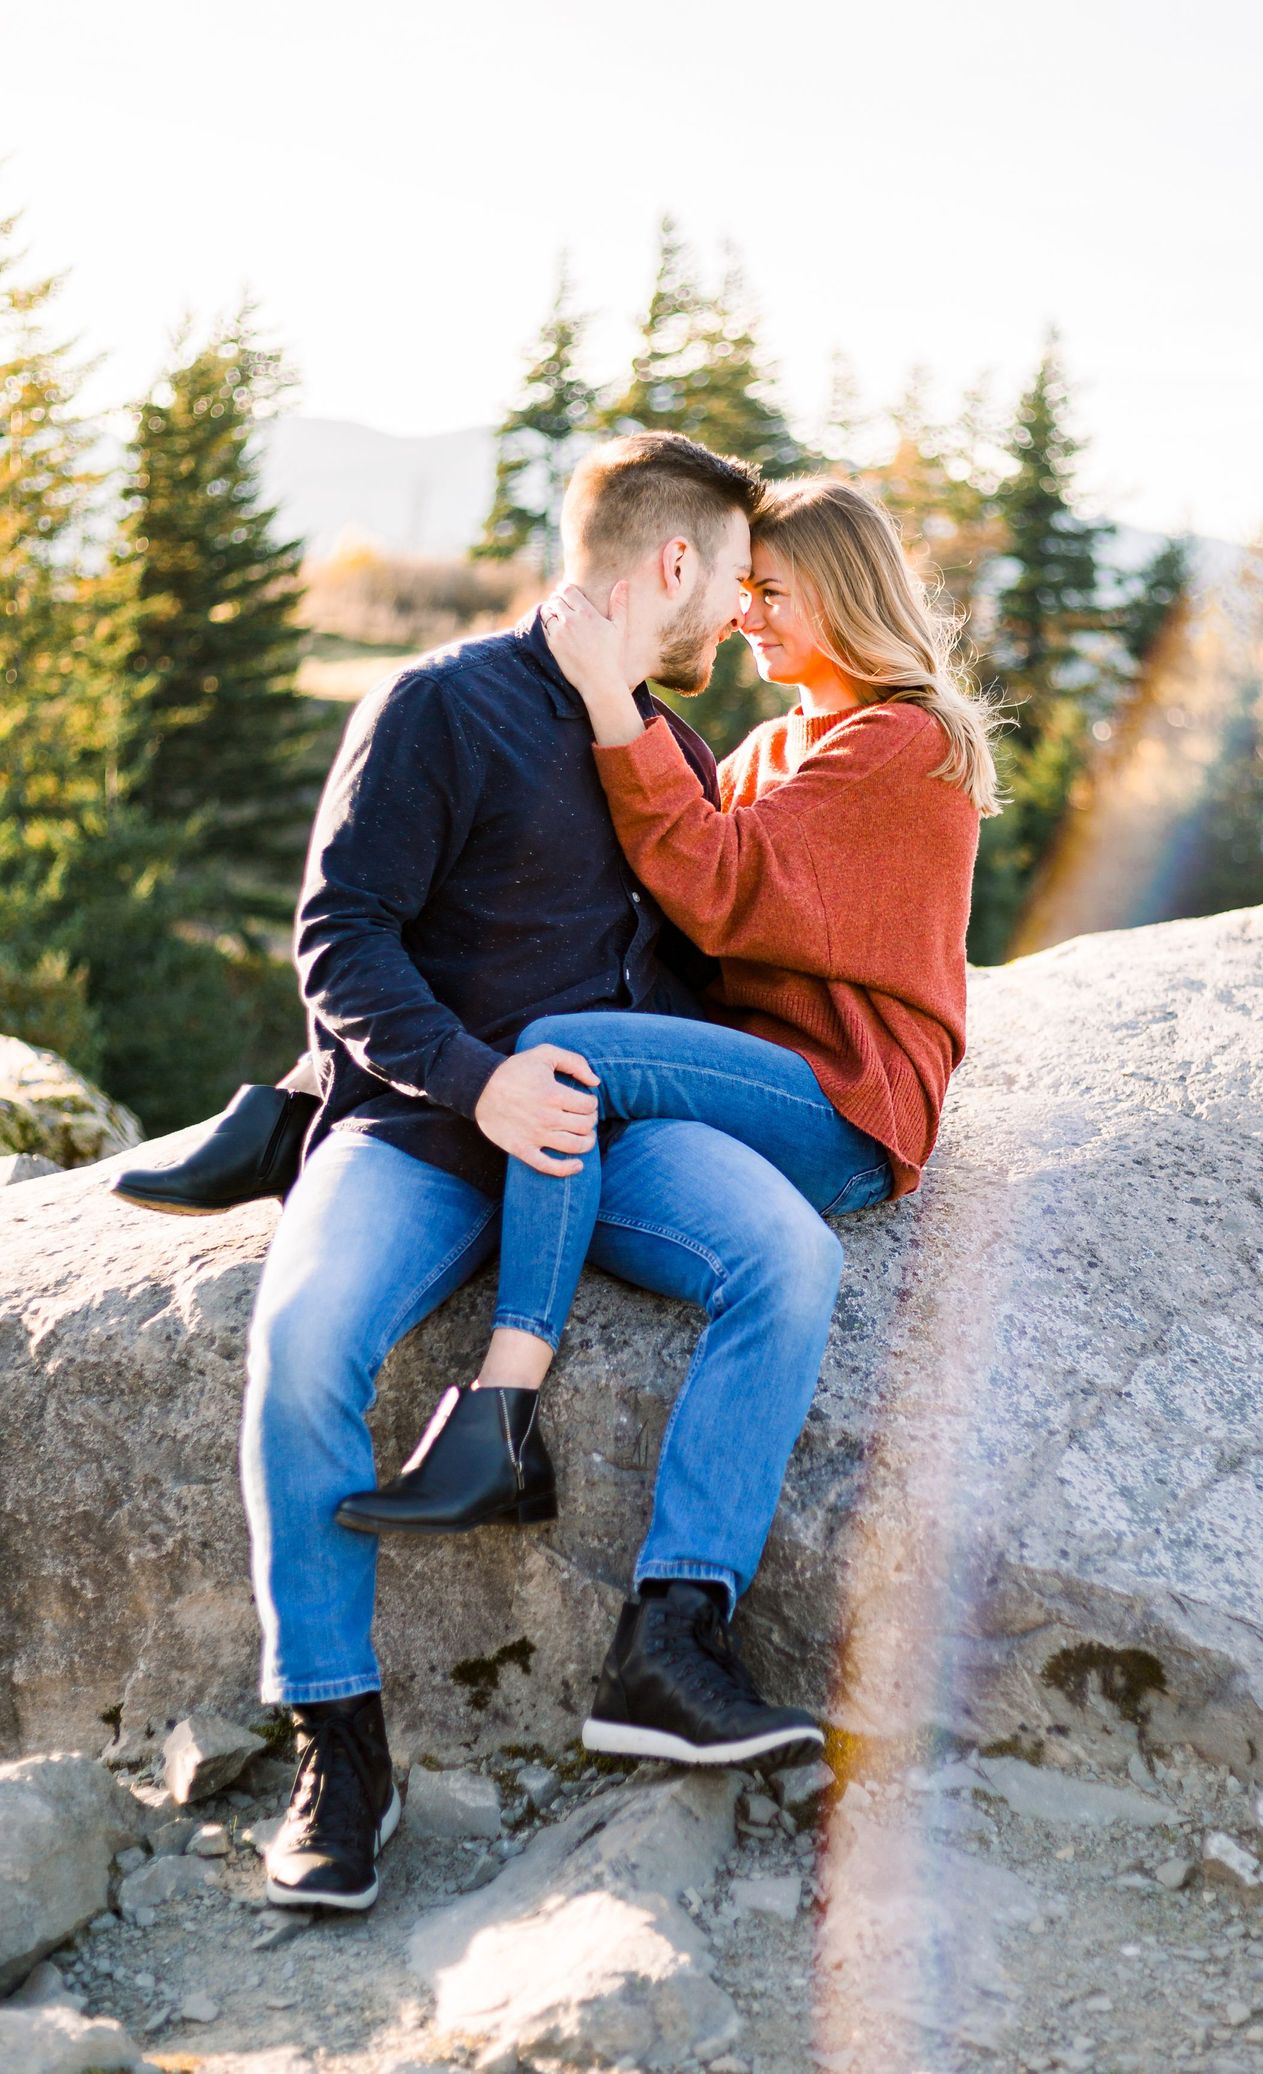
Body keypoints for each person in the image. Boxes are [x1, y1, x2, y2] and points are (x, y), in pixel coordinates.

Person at [224, 433, 856, 1914]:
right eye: (733, 580)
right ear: (673, 562)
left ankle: (674, 1638)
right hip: (425, 1133)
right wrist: (477, 1079)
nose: (739, 619)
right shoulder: (440, 704)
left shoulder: (666, 749)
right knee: (303, 1343)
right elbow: (340, 939)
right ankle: (339, 1746)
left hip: (608, 1148)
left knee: (788, 1257)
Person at [340, 480, 999, 1801]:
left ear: (845, 597)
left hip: (841, 1099)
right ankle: (670, 1643)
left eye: (774, 594)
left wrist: (606, 702)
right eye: (742, 591)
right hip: (737, 1098)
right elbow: (678, 887)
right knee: (762, 1249)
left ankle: (501, 1408)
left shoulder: (901, 742)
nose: (747, 616)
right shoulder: (777, 745)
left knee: (560, 1052)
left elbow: (717, 886)